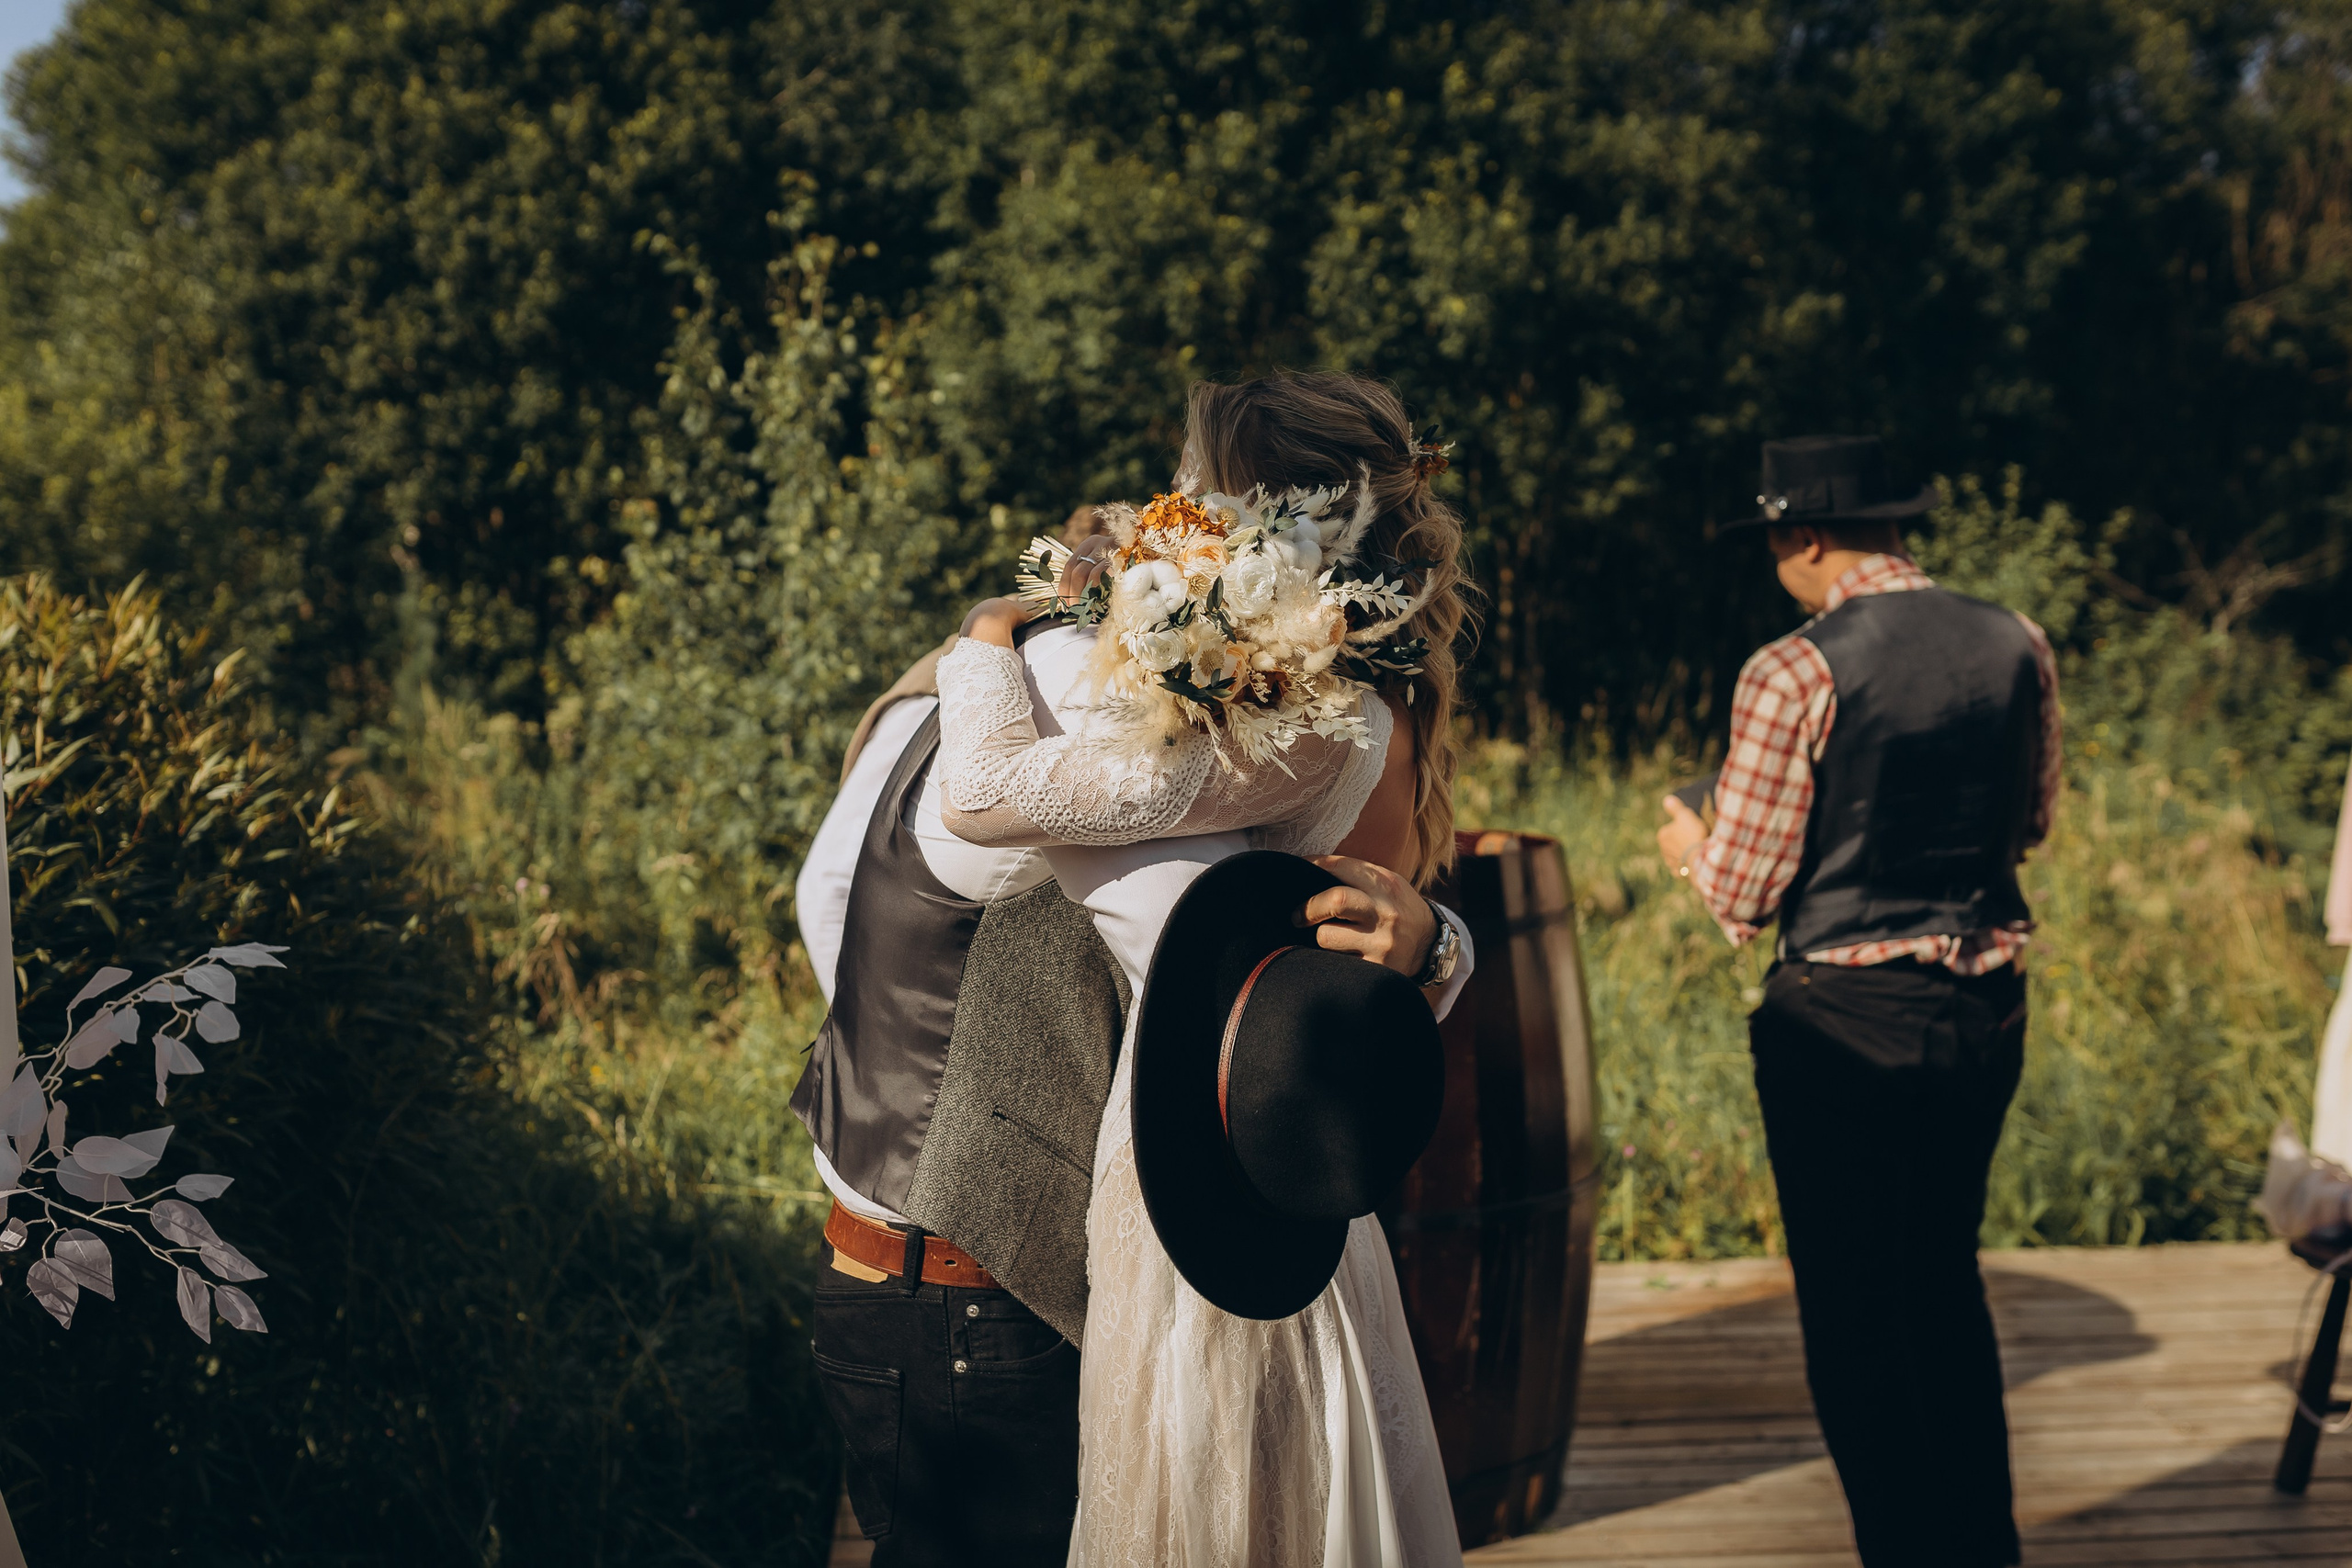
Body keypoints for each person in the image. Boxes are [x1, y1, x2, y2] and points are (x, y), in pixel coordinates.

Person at [793, 511, 1473, 1562]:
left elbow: (827, 901)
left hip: (906, 1250)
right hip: (977, 1288)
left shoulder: (957, 696)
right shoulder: (1088, 717)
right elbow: (1255, 1005)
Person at [1656, 434, 2061, 1568]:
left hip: (1841, 1024)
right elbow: (2030, 821)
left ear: (1804, 538)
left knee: (1851, 1313)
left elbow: (1743, 891)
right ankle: (1983, 1549)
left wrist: (1691, 844)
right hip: (1985, 1010)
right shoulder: (2016, 640)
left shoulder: (1791, 668)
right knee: (1943, 1279)